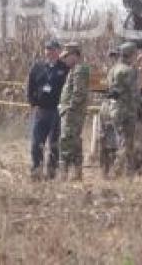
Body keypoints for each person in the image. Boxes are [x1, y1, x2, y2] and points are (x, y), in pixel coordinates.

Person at [26, 38, 69, 180]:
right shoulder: (37, 67)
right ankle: (36, 171)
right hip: (41, 111)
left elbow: (69, 89)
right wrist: (33, 104)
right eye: (48, 49)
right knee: (36, 143)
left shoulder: (64, 69)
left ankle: (51, 173)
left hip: (57, 111)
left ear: (58, 51)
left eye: (53, 49)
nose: (50, 52)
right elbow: (30, 87)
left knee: (54, 144)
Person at [101, 42, 142, 178]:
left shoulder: (113, 69)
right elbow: (135, 92)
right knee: (126, 143)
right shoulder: (129, 71)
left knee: (120, 140)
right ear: (131, 54)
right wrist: (141, 109)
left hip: (114, 110)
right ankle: (118, 172)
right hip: (127, 111)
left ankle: (125, 172)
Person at [58, 43, 90, 181]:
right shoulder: (75, 69)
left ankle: (65, 174)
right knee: (74, 143)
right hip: (72, 112)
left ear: (75, 55)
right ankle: (76, 174)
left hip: (72, 113)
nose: (65, 59)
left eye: (67, 56)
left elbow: (79, 92)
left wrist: (69, 108)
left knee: (67, 141)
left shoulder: (79, 70)